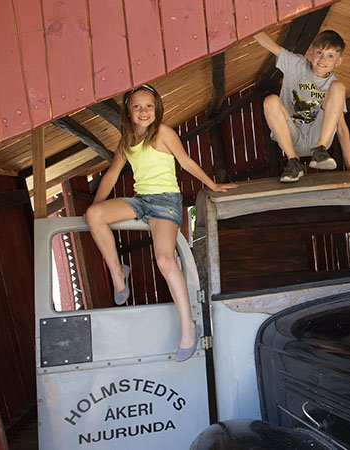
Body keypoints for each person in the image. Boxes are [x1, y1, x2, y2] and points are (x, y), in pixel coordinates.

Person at [84, 84, 237, 362]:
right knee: (93, 215)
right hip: (140, 199)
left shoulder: (163, 132)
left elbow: (186, 162)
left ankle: (189, 327)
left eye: (149, 106)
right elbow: (111, 175)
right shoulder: (126, 141)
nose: (143, 112)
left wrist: (212, 184)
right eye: (137, 107)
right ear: (128, 112)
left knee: (165, 261)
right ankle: (118, 273)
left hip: (165, 202)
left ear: (157, 109)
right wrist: (95, 208)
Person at [254, 30, 350, 182]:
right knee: (270, 100)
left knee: (338, 87)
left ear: (338, 61)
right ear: (311, 52)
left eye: (330, 56)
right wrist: (245, 23)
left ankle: (320, 150)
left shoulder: (333, 87)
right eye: (319, 52)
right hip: (291, 137)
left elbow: (341, 127)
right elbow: (267, 43)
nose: (323, 59)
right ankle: (293, 162)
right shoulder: (296, 64)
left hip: (317, 137)